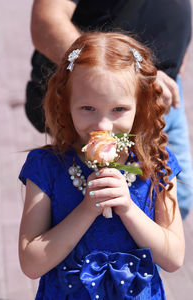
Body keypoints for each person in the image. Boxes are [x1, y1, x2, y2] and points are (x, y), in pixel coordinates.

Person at [19, 32, 185, 300]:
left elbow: (173, 257)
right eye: (87, 108)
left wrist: (129, 209)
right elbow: (30, 262)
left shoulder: (155, 163)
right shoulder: (47, 167)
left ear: (139, 106)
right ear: (66, 104)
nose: (103, 125)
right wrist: (87, 209)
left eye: (119, 109)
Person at [26, 0, 193, 219]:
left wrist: (179, 53)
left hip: (164, 91)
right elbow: (46, 21)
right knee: (94, 202)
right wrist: (123, 75)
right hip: (107, 98)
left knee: (178, 198)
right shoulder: (102, 119)